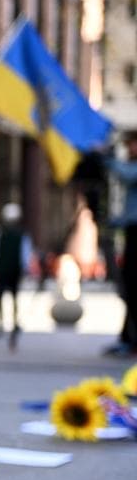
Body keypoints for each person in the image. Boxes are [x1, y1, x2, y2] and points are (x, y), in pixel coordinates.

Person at [103, 131, 137, 357]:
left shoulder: (131, 169)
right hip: (131, 231)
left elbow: (127, 175)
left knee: (133, 285)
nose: (130, 149)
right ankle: (128, 337)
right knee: (129, 286)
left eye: (132, 144)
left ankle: (131, 339)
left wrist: (106, 158)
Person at [0, 202, 33, 343]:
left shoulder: (6, 233)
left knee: (10, 297)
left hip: (8, 269)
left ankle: (10, 322)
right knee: (8, 296)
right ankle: (5, 322)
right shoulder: (0, 233)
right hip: (8, 269)